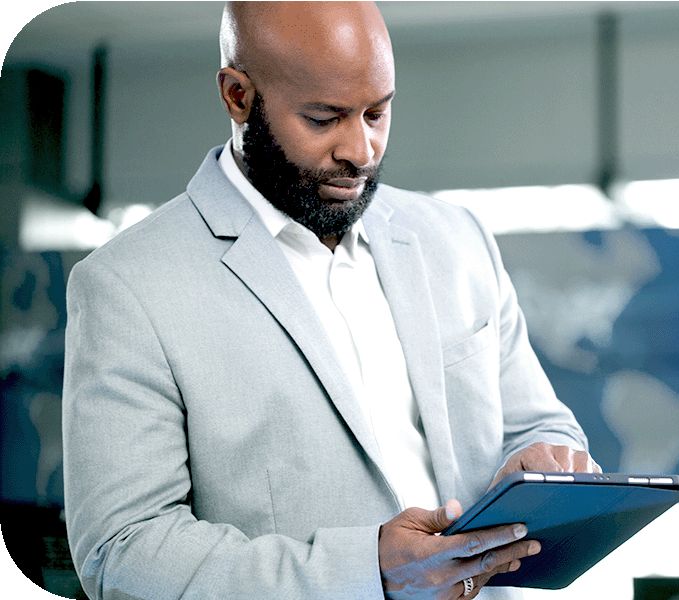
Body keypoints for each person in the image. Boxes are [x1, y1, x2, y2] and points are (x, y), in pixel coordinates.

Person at [62, 2, 598, 599]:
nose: (361, 150)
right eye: (324, 119)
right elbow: (124, 554)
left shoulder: (458, 239)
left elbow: (539, 425)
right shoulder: (128, 285)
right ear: (238, 96)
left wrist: (546, 460)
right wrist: (365, 570)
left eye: (377, 112)